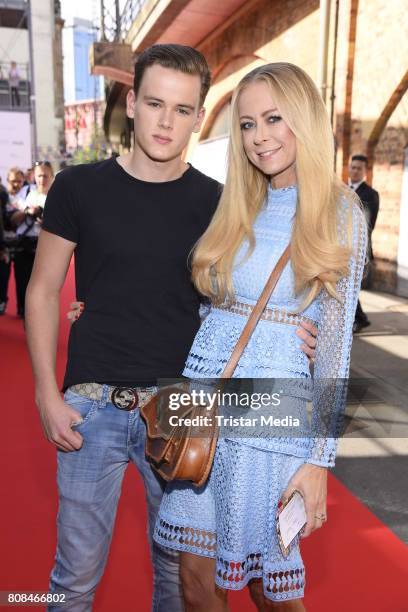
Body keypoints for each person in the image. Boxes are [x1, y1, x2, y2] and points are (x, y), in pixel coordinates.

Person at [26, 45, 317, 612]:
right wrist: (45, 392)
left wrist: (294, 329)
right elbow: (41, 289)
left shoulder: (223, 205)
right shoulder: (77, 188)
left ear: (199, 115)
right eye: (155, 103)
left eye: (183, 110)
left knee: (180, 581)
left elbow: (249, 294)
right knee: (73, 579)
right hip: (91, 404)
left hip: (184, 408)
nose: (167, 121)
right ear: (132, 102)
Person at [153, 63, 367, 611]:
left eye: (274, 119)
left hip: (270, 411)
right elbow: (209, 309)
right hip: (202, 401)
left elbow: (336, 353)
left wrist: (319, 460)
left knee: (266, 588)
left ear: (305, 120)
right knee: (194, 580)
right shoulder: (238, 201)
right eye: (247, 124)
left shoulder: (339, 211)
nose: (259, 137)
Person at [8, 162, 54, 317]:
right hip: (24, 242)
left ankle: (39, 313)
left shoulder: (56, 195)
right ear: (34, 176)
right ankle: (23, 309)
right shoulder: (25, 191)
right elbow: (12, 218)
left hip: (45, 244)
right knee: (22, 282)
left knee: (44, 285)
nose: (42, 179)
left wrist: (46, 221)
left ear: (51, 176)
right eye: (39, 175)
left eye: (45, 175)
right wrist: (28, 211)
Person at [349, 154, 380, 333]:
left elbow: (367, 224)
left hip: (359, 251)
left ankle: (360, 318)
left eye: (359, 168)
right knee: (349, 287)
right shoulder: (343, 189)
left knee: (352, 287)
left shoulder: (371, 194)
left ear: (365, 171)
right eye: (353, 167)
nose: (355, 171)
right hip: (342, 249)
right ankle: (360, 318)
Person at [0, 167, 30, 316]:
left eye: (19, 181)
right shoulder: (3, 195)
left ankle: (22, 308)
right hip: (3, 244)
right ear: (7, 180)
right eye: (13, 181)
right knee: (2, 276)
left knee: (22, 278)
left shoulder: (27, 197)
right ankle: (1, 303)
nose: (16, 184)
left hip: (20, 243)